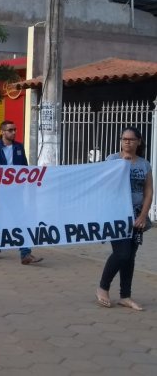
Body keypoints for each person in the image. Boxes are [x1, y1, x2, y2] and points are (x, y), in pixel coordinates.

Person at [96, 127, 153, 311]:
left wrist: (144, 215)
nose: (127, 142)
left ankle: (125, 295)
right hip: (117, 215)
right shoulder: (112, 160)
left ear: (139, 141)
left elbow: (148, 191)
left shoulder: (144, 164)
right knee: (121, 253)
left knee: (130, 257)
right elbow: (105, 185)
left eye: (131, 139)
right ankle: (103, 287)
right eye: (124, 139)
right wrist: (122, 166)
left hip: (137, 216)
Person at [0, 120, 43, 265]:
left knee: (21, 220)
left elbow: (24, 168)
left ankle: (25, 253)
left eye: (15, 129)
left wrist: (28, 183)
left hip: (15, 192)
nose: (14, 132)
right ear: (2, 132)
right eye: (10, 130)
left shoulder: (19, 147)